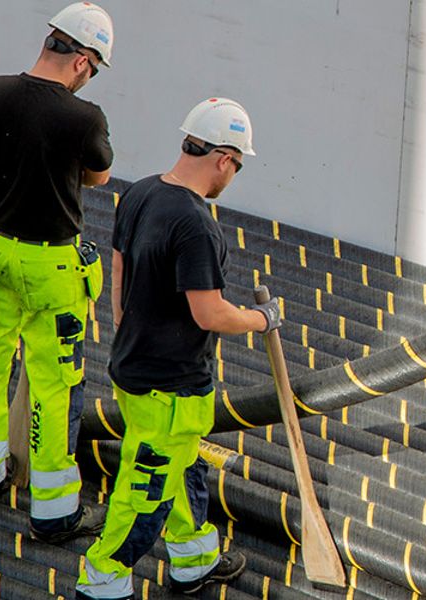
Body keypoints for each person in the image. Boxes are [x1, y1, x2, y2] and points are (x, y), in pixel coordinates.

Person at [76, 98, 280, 599]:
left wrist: (130, 331)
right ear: (225, 159)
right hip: (171, 389)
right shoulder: (196, 225)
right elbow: (208, 314)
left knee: (184, 466)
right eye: (236, 165)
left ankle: (193, 560)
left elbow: (118, 268)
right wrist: (262, 318)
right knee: (145, 493)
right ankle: (101, 580)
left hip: (132, 368)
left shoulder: (142, 192)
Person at [0, 2, 115, 543]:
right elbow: (98, 177)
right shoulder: (83, 118)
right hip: (51, 265)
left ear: (50, 42)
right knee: (53, 385)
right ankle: (53, 512)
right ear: (84, 63)